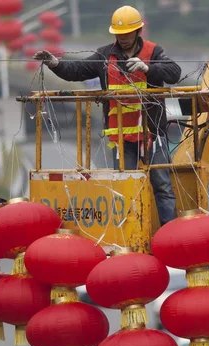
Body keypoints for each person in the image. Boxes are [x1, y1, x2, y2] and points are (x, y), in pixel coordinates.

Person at [34, 5, 181, 227]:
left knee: (162, 184)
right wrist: (54, 63)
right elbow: (78, 71)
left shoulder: (154, 52)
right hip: (121, 138)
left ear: (137, 32)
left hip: (152, 132)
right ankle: (132, 232)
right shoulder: (105, 55)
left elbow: (174, 73)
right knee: (125, 187)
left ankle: (170, 230)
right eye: (118, 35)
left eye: (126, 34)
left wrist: (148, 68)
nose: (122, 38)